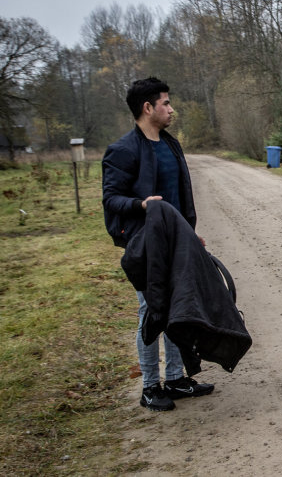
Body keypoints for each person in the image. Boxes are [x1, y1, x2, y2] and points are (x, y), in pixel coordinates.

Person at [102, 77, 215, 412]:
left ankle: (177, 379)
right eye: (165, 103)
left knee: (179, 307)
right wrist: (141, 204)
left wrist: (189, 232)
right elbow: (111, 199)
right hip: (145, 245)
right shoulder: (123, 150)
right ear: (147, 108)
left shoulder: (170, 144)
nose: (171, 109)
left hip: (178, 242)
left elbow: (180, 197)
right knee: (151, 311)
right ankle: (150, 386)